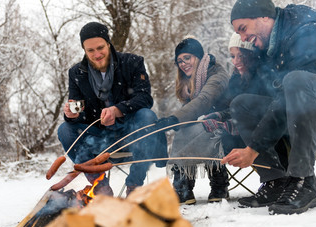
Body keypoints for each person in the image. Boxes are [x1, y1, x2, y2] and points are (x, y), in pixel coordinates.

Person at [222, 0, 316, 215]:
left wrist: (253, 148)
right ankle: (275, 180)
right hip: (299, 112)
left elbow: (290, 94)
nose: (243, 38)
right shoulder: (270, 47)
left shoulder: (309, 32)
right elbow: (269, 99)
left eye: (243, 29)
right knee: (243, 104)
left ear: (263, 17)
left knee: (296, 80)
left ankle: (303, 180)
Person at [57, 22, 168, 197]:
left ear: (108, 43)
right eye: (90, 50)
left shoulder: (132, 63)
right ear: (84, 50)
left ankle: (134, 185)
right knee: (65, 130)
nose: (97, 54)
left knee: (147, 116)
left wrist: (118, 110)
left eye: (100, 48)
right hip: (100, 138)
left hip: (130, 134)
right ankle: (100, 187)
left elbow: (145, 98)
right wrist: (72, 115)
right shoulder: (76, 73)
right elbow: (78, 113)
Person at [155, 36, 230, 205]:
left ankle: (218, 184)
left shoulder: (217, 74)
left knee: (199, 129)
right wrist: (171, 122)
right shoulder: (190, 83)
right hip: (206, 123)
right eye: (179, 61)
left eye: (187, 58)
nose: (183, 63)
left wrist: (175, 119)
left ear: (198, 56)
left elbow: (204, 101)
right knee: (186, 129)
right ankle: (184, 187)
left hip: (227, 121)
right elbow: (193, 111)